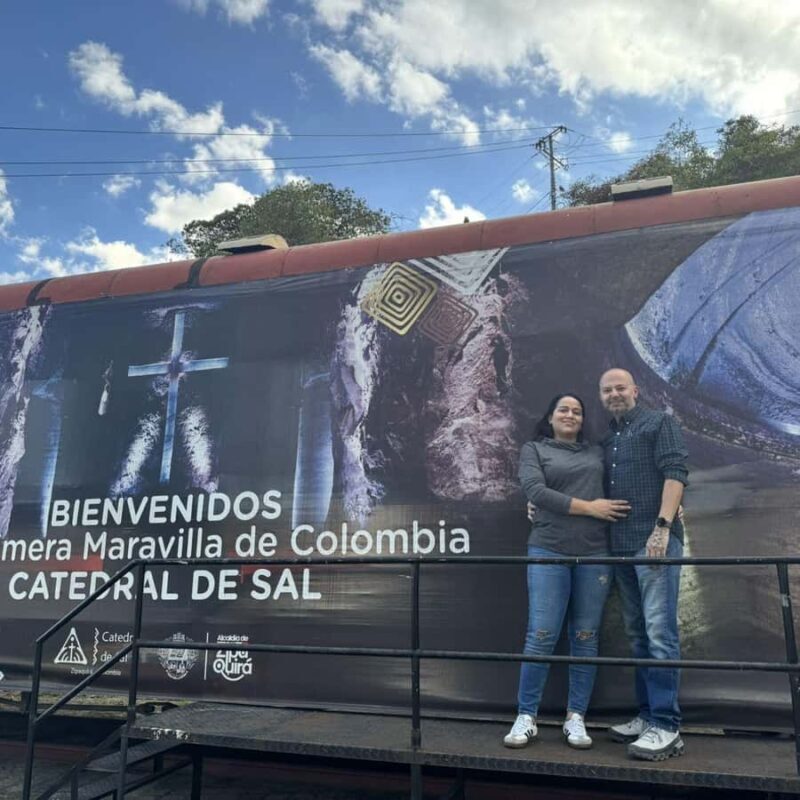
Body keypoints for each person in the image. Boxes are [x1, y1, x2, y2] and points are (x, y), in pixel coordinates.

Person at [504, 393, 630, 751]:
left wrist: (673, 506)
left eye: (577, 411)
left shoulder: (597, 452)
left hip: (595, 554)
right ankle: (526, 716)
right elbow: (536, 491)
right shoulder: (534, 449)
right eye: (563, 409)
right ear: (551, 416)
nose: (570, 415)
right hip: (548, 548)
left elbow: (627, 483)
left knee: (586, 637)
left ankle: (576, 717)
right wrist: (590, 508)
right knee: (541, 634)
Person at [599, 368, 689, 762]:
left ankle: (667, 726)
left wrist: (662, 528)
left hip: (654, 544)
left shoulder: (659, 423)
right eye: (607, 390)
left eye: (620, 387)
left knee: (659, 634)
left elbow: (676, 473)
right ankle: (648, 715)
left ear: (635, 390)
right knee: (638, 636)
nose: (614, 394)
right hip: (621, 548)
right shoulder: (608, 439)